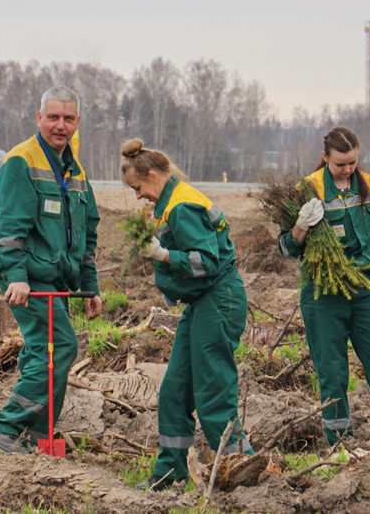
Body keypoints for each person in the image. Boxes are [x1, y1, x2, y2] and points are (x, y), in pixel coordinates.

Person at [121, 138, 252, 490]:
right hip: (202, 303)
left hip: (219, 298)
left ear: (152, 175)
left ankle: (245, 472)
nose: (138, 196)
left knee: (213, 392)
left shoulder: (181, 206)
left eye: (138, 188)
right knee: (175, 391)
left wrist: (163, 256)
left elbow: (207, 261)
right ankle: (170, 472)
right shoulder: (170, 203)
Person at [0, 86, 103, 454]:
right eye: (53, 117)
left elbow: (87, 232)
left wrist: (90, 286)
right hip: (30, 282)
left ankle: (38, 435)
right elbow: (7, 229)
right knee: (61, 347)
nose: (60, 126)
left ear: (78, 122)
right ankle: (2, 427)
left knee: (42, 354)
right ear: (39, 118)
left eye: (68, 119)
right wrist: (16, 276)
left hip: (59, 283)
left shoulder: (75, 169)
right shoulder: (22, 161)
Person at [277, 126, 370, 445]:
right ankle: (341, 444)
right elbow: (285, 248)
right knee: (333, 372)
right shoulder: (306, 190)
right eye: (341, 164)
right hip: (323, 294)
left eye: (353, 162)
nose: (348, 169)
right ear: (325, 158)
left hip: (365, 290)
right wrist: (300, 226)